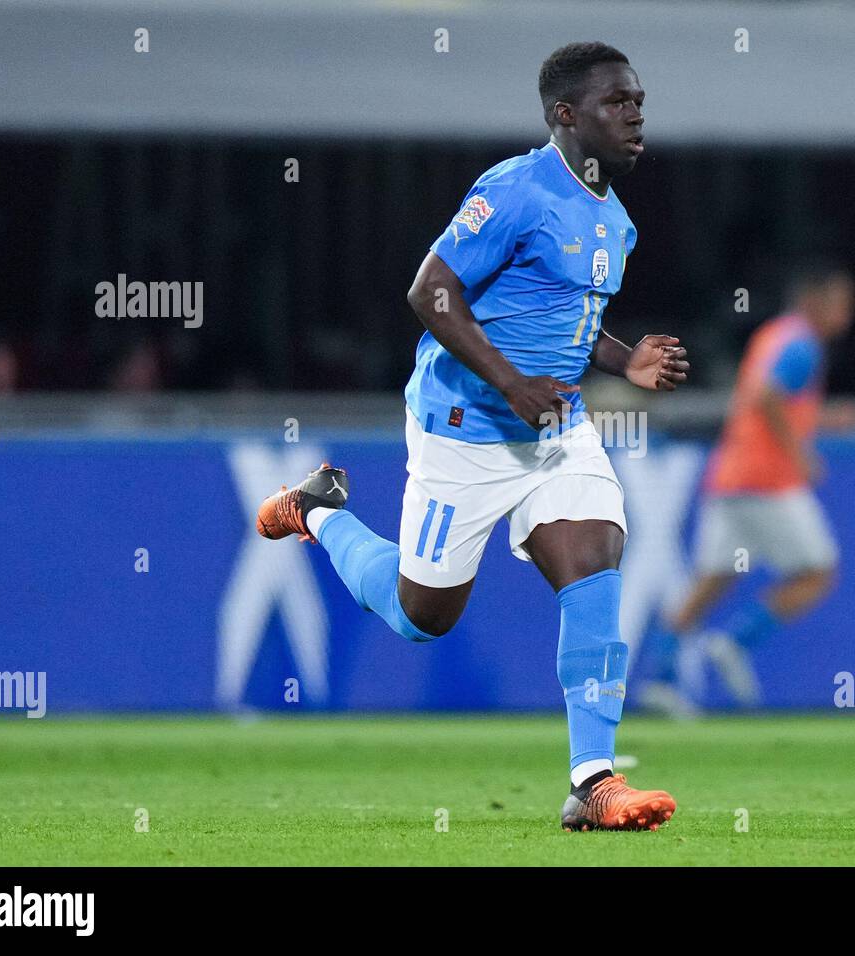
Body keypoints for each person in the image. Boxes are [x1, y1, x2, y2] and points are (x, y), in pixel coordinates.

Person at [256, 42, 689, 831]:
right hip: (463, 432)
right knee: (422, 614)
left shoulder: (614, 221)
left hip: (556, 433)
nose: (636, 114)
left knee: (595, 557)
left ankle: (594, 779)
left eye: (639, 101)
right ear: (565, 115)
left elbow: (567, 321)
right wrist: (510, 383)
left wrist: (627, 363)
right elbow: (430, 290)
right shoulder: (515, 189)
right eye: (616, 102)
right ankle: (316, 510)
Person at [649, 262, 855, 710]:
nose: (847, 313)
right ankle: (735, 643)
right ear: (815, 300)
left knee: (712, 578)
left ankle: (662, 676)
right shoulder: (803, 344)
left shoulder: (773, 335)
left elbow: (762, 400)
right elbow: (767, 399)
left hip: (729, 476)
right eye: (842, 302)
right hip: (768, 481)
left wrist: (821, 421)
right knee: (818, 573)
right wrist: (799, 453)